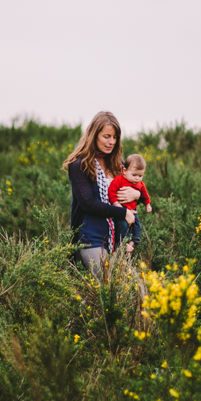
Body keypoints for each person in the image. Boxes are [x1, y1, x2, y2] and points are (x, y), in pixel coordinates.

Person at [62, 111, 141, 280]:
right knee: (106, 286)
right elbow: (88, 203)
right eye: (106, 136)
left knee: (110, 293)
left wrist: (137, 194)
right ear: (94, 135)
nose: (111, 142)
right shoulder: (79, 165)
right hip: (90, 238)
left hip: (117, 239)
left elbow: (133, 193)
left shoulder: (118, 164)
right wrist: (122, 213)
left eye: (114, 137)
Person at [108, 154, 152, 254]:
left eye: (140, 176)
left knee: (137, 227)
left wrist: (147, 204)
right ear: (124, 171)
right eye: (134, 175)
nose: (137, 178)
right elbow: (111, 192)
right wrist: (116, 205)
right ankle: (123, 244)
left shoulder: (140, 184)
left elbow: (145, 195)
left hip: (133, 211)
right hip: (121, 210)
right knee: (122, 226)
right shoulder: (119, 180)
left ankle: (132, 243)